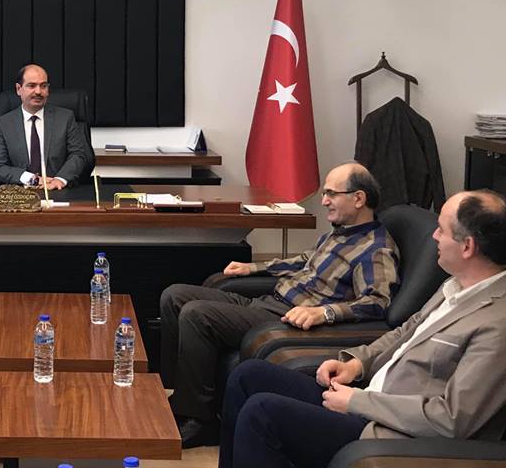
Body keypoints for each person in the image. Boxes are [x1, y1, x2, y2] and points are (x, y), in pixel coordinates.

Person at [220, 189, 506, 468]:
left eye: (441, 230)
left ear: (467, 246)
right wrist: (357, 363)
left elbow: (452, 419)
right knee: (247, 375)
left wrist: (358, 402)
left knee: (262, 414)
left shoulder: (496, 325)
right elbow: (406, 332)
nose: (434, 237)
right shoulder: (454, 285)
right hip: (367, 396)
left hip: (388, 431)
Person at [160, 162, 399, 448]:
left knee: (196, 314)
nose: (324, 201)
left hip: (285, 320)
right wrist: (253, 268)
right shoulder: (340, 232)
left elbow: (377, 302)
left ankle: (201, 422)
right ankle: (180, 398)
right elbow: (304, 261)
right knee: (175, 296)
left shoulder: (376, 249)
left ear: (358, 198)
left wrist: (323, 313)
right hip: (268, 301)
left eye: (331, 194)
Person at [0, 63, 91, 189]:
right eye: (31, 86)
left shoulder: (65, 118)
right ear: (18, 89)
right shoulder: (4, 123)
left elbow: (78, 155)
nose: (38, 91)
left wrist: (60, 180)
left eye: (43, 86)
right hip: (21, 191)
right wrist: (32, 179)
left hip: (58, 190)